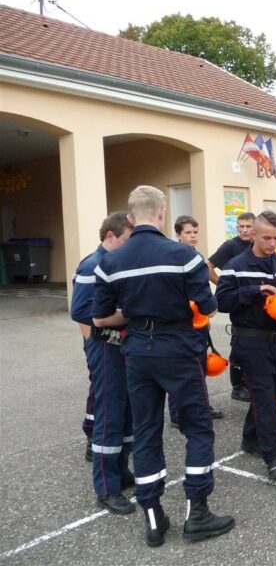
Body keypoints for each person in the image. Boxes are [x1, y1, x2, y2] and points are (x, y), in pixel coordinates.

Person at [92, 186, 234, 547]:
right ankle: (197, 512)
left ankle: (153, 518)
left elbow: (100, 317)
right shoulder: (183, 255)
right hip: (179, 350)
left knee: (146, 431)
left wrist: (137, 311)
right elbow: (208, 306)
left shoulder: (110, 261)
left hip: (136, 351)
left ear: (130, 216)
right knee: (198, 429)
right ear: (161, 213)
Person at [215, 211, 276, 481]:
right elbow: (222, 302)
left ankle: (250, 438)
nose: (271, 242)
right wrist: (255, 291)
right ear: (252, 235)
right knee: (267, 398)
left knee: (268, 392)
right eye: (266, 237)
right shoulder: (234, 265)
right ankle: (274, 456)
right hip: (250, 341)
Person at [71, 211, 135, 515]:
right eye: (125, 240)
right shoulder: (92, 265)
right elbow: (81, 312)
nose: (128, 246)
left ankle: (120, 472)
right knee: (109, 416)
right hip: (106, 347)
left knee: (126, 414)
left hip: (122, 347)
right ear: (110, 236)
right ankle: (106, 488)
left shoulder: (117, 262)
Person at [170, 215, 223, 421]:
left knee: (200, 367)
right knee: (179, 368)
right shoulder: (174, 256)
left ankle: (202, 407)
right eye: (187, 233)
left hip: (199, 320)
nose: (192, 236)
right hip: (182, 322)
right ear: (178, 235)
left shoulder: (198, 255)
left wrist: (206, 318)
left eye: (195, 232)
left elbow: (202, 288)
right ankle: (177, 414)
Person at [207, 211, 255, 402]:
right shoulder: (230, 246)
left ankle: (253, 382)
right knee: (239, 344)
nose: (244, 230)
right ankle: (238, 386)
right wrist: (223, 284)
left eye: (248, 226)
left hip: (256, 300)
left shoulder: (258, 245)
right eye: (241, 226)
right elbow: (208, 266)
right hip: (238, 302)